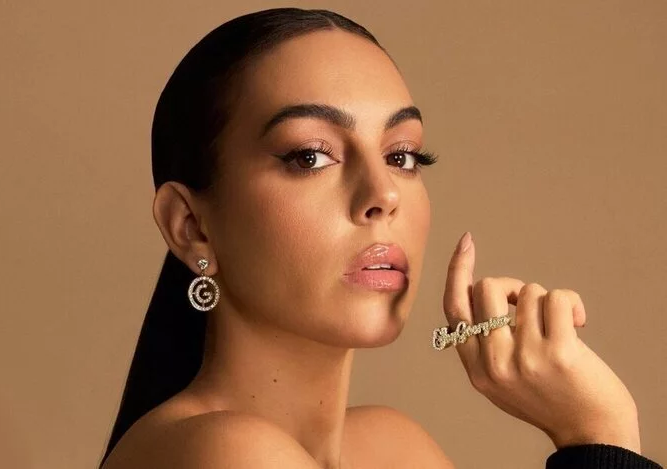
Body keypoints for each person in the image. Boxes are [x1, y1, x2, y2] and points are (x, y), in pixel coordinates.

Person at [98, 8, 662, 469]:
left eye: (402, 156)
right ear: (190, 225)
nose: (384, 193)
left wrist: (596, 430)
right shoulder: (221, 453)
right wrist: (598, 435)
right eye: (310, 156)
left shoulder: (395, 448)